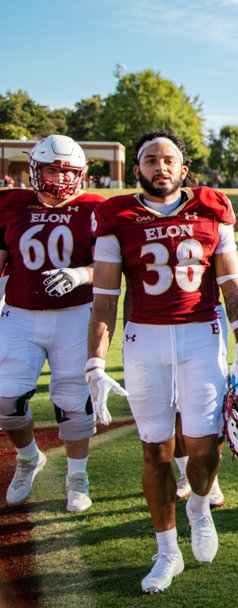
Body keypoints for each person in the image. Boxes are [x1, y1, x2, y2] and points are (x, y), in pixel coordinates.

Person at [87, 130, 238, 593]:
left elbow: (232, 285)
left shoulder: (211, 207)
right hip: (144, 340)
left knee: (205, 447)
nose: (159, 167)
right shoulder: (115, 215)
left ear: (183, 170)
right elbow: (105, 298)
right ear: (137, 169)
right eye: (149, 160)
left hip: (201, 336)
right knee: (155, 450)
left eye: (168, 160)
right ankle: (167, 552)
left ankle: (200, 509)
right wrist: (94, 363)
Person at [0, 135, 105, 512]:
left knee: (74, 401)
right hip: (20, 314)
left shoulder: (95, 208)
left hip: (75, 315)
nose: (59, 178)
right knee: (4, 399)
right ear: (34, 169)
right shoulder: (10, 204)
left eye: (67, 171)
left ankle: (77, 475)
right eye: (51, 169)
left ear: (81, 174)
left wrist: (79, 274)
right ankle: (29, 458)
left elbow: (109, 269)